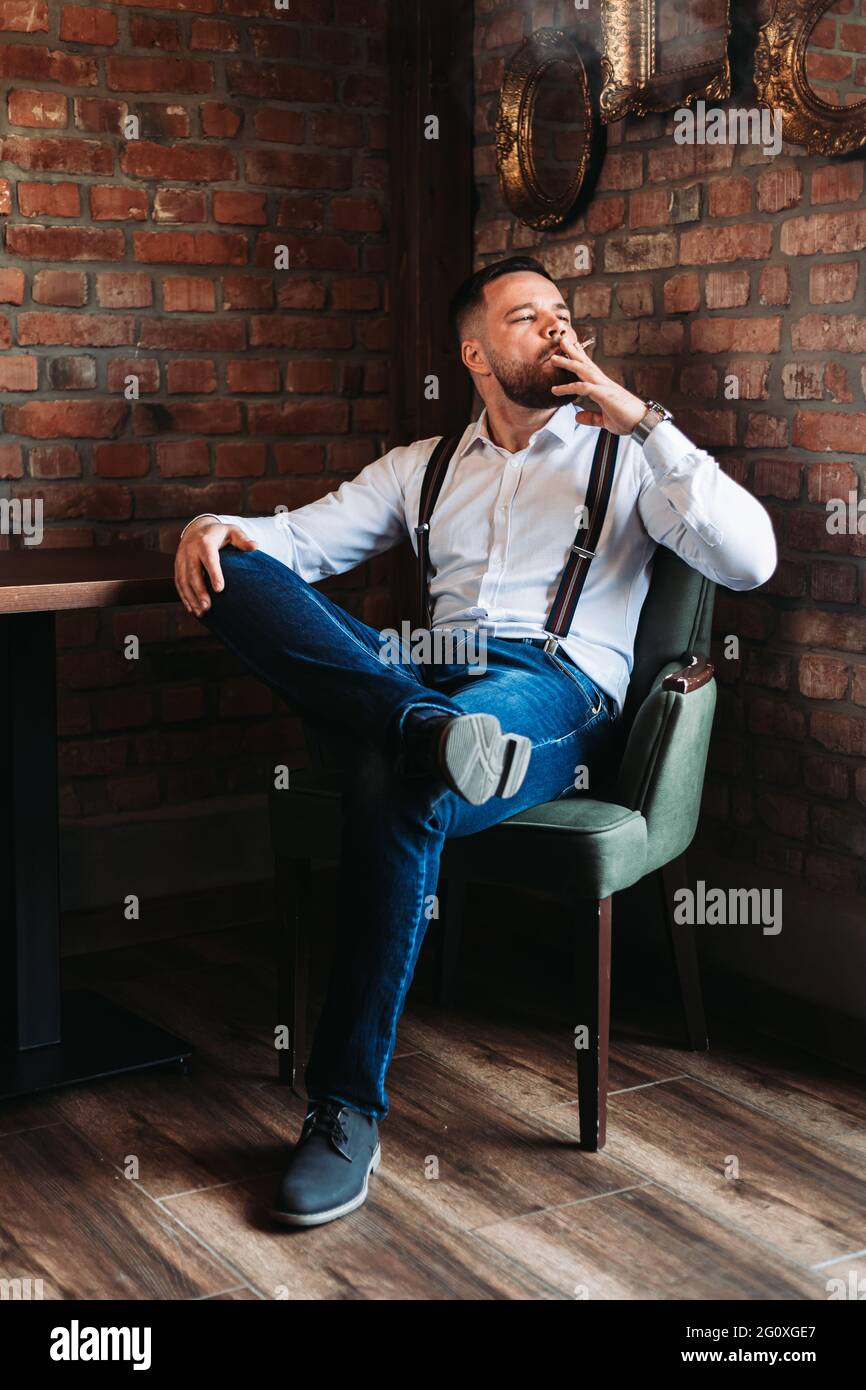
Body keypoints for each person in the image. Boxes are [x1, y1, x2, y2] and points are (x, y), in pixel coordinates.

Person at [173, 255, 777, 1228]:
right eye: (527, 316)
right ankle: (421, 727)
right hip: (418, 677)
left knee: (394, 777)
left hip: (550, 689)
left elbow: (751, 559)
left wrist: (641, 419)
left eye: (562, 315)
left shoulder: (627, 461)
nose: (555, 330)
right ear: (473, 349)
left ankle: (342, 1110)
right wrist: (214, 523)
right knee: (238, 576)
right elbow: (297, 539)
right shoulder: (424, 464)